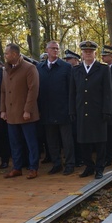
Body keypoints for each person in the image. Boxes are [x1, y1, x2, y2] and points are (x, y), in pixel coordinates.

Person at [69, 41, 112, 179]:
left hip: (98, 111)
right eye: (85, 51)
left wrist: (107, 111)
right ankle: (89, 166)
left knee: (100, 142)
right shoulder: (76, 70)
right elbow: (72, 92)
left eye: (90, 51)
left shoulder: (103, 69)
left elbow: (107, 92)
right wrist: (72, 110)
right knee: (83, 141)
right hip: (82, 110)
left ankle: (99, 168)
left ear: (95, 53)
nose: (88, 53)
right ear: (81, 53)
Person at [0, 43, 40, 180]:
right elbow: (3, 91)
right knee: (14, 143)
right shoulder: (5, 70)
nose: (5, 56)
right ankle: (17, 168)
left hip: (25, 113)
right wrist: (3, 110)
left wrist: (27, 110)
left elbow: (33, 90)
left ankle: (33, 167)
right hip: (11, 114)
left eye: (7, 53)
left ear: (15, 54)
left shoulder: (30, 68)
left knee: (31, 142)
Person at [38, 41, 75, 176]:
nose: (55, 51)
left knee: (67, 140)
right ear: (46, 50)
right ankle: (56, 163)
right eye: (52, 48)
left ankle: (70, 164)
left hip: (63, 109)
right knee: (51, 139)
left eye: (57, 49)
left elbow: (72, 90)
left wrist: (71, 109)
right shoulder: (40, 67)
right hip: (47, 110)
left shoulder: (66, 67)